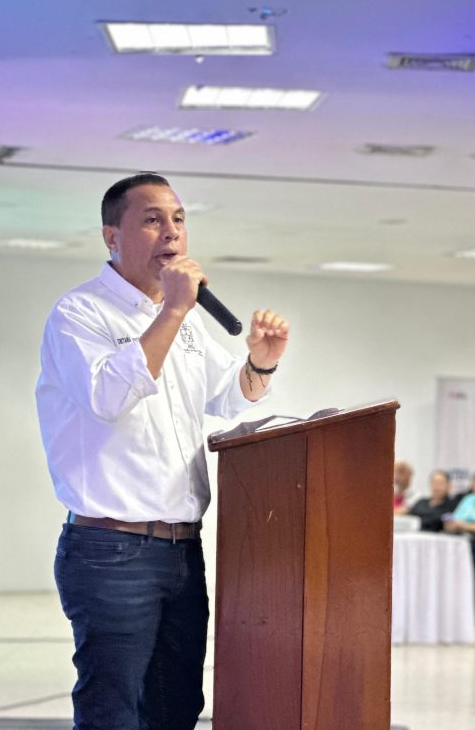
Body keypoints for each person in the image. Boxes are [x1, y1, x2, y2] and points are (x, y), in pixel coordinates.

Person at [36, 173, 290, 730]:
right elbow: (107, 398)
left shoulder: (189, 322)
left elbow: (227, 397)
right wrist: (172, 311)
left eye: (178, 219)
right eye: (152, 220)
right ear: (112, 236)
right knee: (114, 714)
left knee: (176, 708)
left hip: (181, 550)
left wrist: (261, 363)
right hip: (111, 549)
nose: (171, 232)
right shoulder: (80, 313)